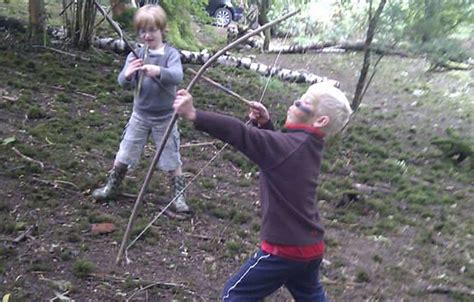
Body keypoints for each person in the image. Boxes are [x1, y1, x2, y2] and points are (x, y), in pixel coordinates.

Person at [173, 82, 352, 301]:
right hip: (310, 246)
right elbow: (280, 155)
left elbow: (240, 132)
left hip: (285, 250)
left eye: (303, 103)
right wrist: (266, 125)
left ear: (321, 120)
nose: (294, 103)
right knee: (311, 295)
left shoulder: (287, 147)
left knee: (235, 294)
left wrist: (194, 114)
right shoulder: (308, 145)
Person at [92, 4, 190, 213]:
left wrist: (159, 70)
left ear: (162, 30)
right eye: (143, 31)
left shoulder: (170, 54)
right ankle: (112, 186)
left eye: (152, 30)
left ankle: (179, 197)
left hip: (165, 118)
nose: (147, 35)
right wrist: (128, 74)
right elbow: (123, 82)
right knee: (125, 152)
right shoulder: (136, 55)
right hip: (140, 115)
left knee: (171, 156)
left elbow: (177, 75)